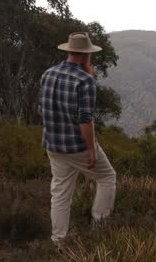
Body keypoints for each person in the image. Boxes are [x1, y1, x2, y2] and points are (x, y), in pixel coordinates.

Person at [39, 32, 117, 247]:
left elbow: (42, 109)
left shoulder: (48, 74)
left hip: (53, 145)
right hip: (76, 146)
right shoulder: (85, 80)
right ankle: (100, 229)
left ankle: (58, 241)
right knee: (107, 177)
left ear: (69, 51)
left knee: (60, 193)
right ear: (86, 55)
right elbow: (85, 119)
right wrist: (91, 149)